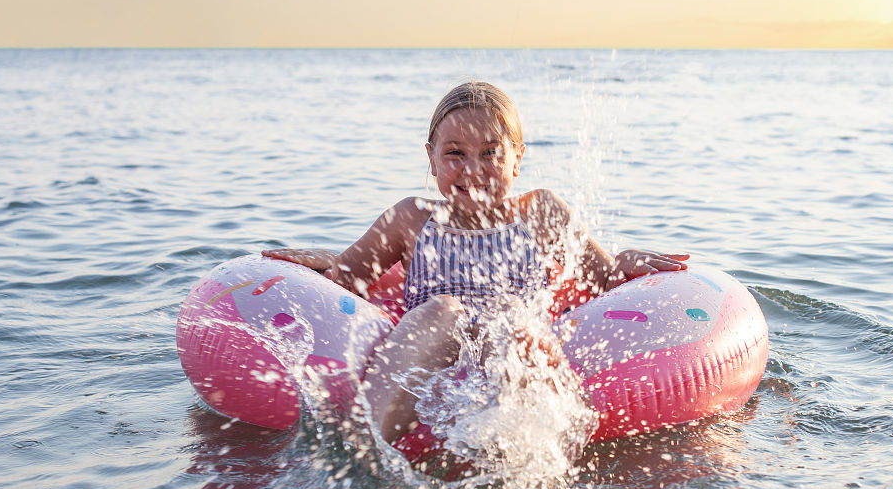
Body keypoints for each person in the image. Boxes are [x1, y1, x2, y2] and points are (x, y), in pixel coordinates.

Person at [264, 81, 687, 445]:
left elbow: (604, 280)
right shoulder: (411, 219)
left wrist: (625, 262)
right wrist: (326, 264)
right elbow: (348, 280)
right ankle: (366, 445)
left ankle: (537, 445)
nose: (473, 169)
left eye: (491, 153)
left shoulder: (540, 212)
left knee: (506, 313)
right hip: (431, 353)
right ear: (431, 157)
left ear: (517, 158)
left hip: (508, 350)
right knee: (444, 311)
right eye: (454, 153)